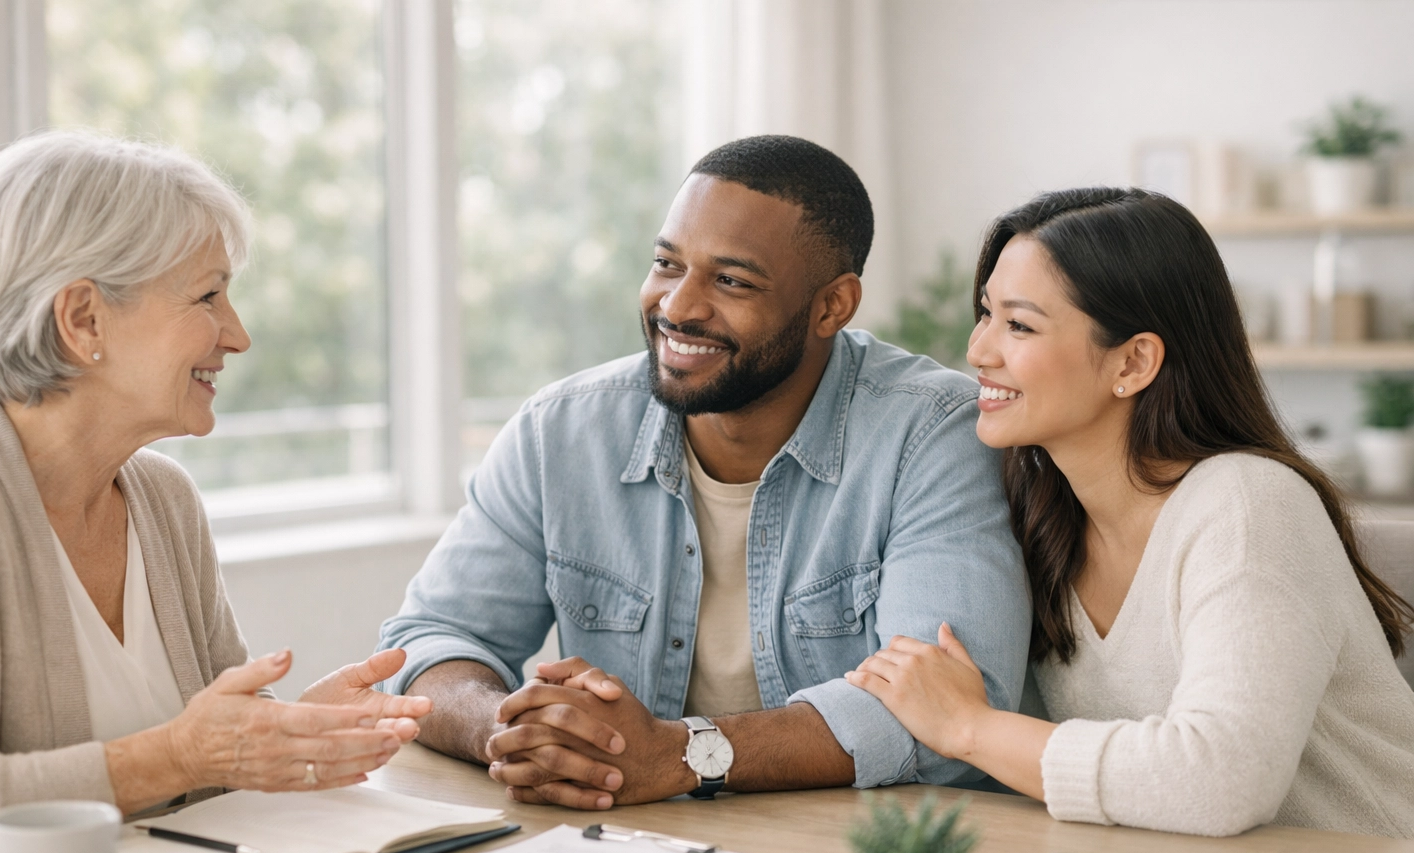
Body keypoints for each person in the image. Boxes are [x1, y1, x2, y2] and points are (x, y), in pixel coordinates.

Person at [379, 135, 1031, 810]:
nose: (677, 307)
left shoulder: (935, 433)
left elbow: (950, 711)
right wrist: (514, 733)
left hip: (868, 849)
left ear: (832, 306)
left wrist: (681, 753)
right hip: (632, 838)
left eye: (731, 281)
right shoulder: (561, 431)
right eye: (667, 264)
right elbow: (426, 641)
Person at [0, 132, 431, 853]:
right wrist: (175, 757)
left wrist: (297, 730)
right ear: (84, 320)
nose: (238, 335)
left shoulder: (164, 500)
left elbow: (209, 760)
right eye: (207, 296)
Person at [847, 186, 1414, 838]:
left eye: (1019, 325)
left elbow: (1222, 780)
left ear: (1134, 360)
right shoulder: (1040, 518)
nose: (978, 350)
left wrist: (968, 727)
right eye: (985, 314)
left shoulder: (1249, 505)